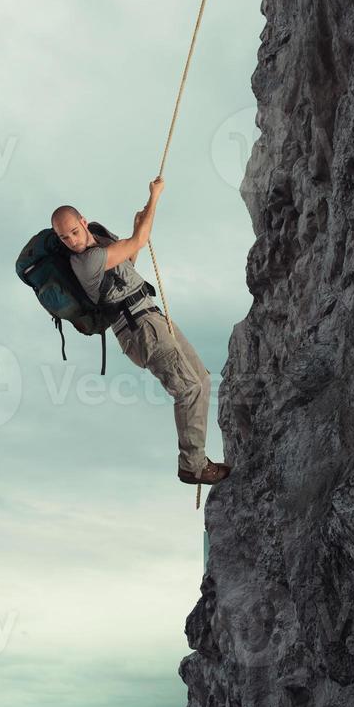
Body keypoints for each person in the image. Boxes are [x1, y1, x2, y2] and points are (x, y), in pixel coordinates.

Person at [51, 177, 231, 488]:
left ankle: (196, 460)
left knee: (200, 378)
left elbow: (130, 259)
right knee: (187, 388)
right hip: (139, 328)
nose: (72, 240)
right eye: (64, 237)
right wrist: (155, 197)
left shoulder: (101, 243)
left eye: (74, 232)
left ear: (83, 222)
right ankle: (193, 465)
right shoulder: (85, 261)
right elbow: (138, 241)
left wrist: (140, 223)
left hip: (151, 317)